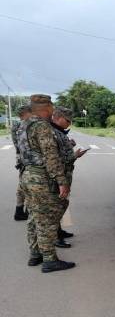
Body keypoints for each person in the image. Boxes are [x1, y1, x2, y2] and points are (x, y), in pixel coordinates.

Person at [18, 94, 75, 273]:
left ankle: (35, 253)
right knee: (48, 218)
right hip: (41, 178)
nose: (52, 110)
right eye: (51, 107)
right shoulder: (42, 126)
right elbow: (51, 156)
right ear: (45, 108)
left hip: (27, 176)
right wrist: (61, 181)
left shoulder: (23, 125)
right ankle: (49, 259)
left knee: (35, 216)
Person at [50, 106, 87, 248]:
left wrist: (70, 145)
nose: (69, 124)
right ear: (58, 117)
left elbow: (61, 152)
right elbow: (57, 158)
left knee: (61, 205)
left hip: (64, 173)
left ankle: (58, 232)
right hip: (59, 175)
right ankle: (55, 237)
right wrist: (75, 155)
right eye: (67, 120)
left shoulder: (58, 132)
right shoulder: (52, 132)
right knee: (58, 207)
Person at [12, 104, 32, 221]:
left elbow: (16, 145)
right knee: (28, 185)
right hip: (28, 159)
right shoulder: (27, 125)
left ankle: (19, 210)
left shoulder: (16, 125)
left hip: (20, 158)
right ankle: (27, 210)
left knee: (21, 184)